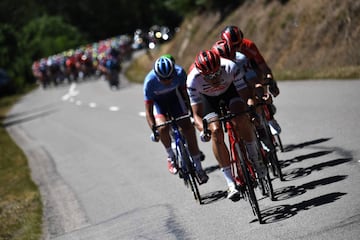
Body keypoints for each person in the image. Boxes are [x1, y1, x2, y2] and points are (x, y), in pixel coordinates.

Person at [187, 49, 267, 200]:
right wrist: (202, 130)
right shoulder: (192, 80)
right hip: (209, 100)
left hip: (231, 92)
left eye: (217, 73)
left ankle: (255, 158)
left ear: (220, 67)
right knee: (216, 131)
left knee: (241, 117)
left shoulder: (230, 67)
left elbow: (245, 95)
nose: (214, 78)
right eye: (209, 76)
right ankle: (230, 182)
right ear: (201, 73)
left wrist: (251, 107)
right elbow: (196, 114)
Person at [143, 56, 209, 184]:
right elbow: (148, 111)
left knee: (188, 129)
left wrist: (192, 114)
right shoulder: (149, 82)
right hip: (159, 105)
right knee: (162, 128)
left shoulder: (179, 73)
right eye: (163, 79)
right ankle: (171, 156)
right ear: (157, 76)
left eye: (169, 77)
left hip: (175, 100)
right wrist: (154, 129)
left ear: (173, 72)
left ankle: (199, 169)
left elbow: (187, 95)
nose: (167, 81)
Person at [220, 26, 281, 134]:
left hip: (251, 67)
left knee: (258, 81)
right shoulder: (220, 51)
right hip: (233, 73)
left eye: (239, 44)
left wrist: (270, 81)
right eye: (233, 46)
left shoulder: (248, 46)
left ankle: (269, 114)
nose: (237, 48)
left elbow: (262, 65)